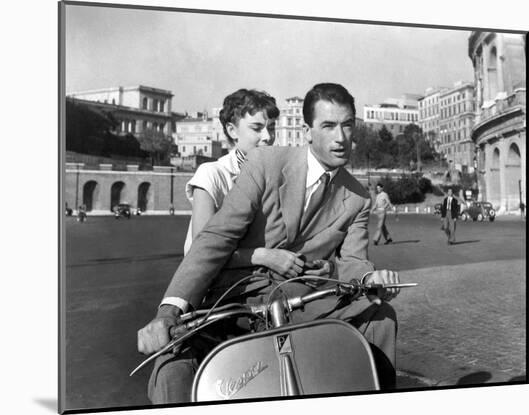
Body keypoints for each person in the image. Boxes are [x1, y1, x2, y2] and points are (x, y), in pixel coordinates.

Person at [138, 83, 401, 403]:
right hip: (239, 299)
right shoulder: (265, 162)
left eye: (347, 125)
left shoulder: (358, 197)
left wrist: (369, 279)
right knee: (172, 366)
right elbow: (215, 238)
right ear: (307, 131)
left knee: (381, 318)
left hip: (307, 300)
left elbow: (354, 261)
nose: (341, 137)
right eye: (329, 126)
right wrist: (168, 311)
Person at [183, 88, 279, 256]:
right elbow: (201, 252)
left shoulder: (278, 175)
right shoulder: (212, 174)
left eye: (271, 128)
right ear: (232, 130)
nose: (268, 137)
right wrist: (263, 257)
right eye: (257, 128)